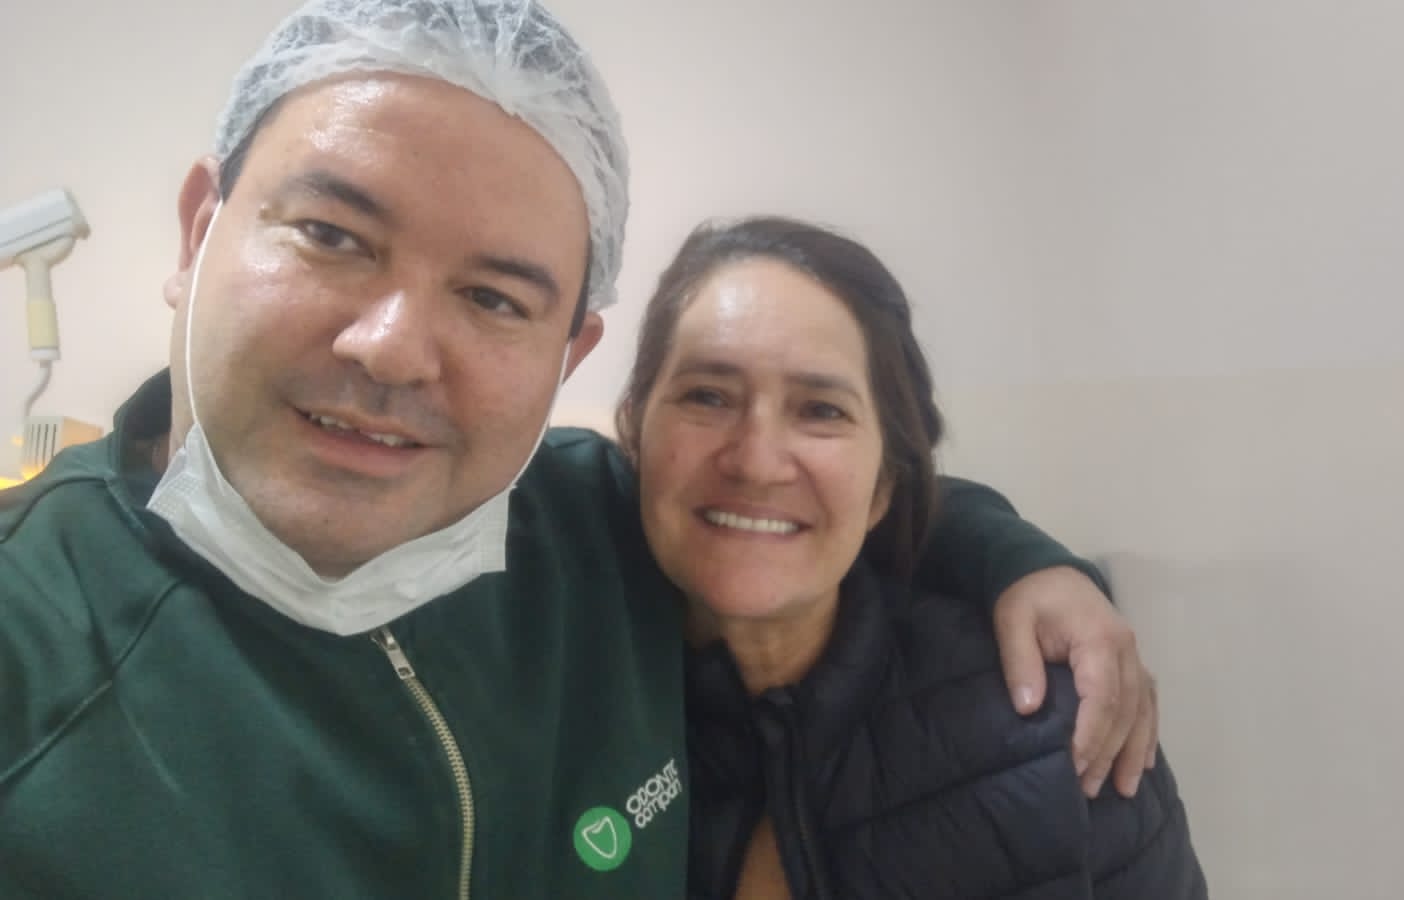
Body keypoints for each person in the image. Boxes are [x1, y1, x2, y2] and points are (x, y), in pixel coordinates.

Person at [0, 2, 1157, 897]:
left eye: (494, 298)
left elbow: (797, 505)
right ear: (200, 232)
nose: (393, 349)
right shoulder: (35, 659)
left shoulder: (580, 522)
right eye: (333, 235)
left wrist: (1026, 562)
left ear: (570, 353)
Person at [613, 216, 1206, 899]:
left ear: (884, 486)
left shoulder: (1062, 734)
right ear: (634, 431)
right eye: (707, 396)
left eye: (821, 410)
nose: (756, 461)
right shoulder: (560, 694)